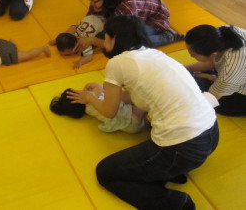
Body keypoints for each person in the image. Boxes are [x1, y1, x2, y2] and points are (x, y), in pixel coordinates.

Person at [67, 15, 218, 210]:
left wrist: (90, 99)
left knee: (105, 172)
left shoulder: (117, 63)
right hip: (211, 134)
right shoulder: (153, 54)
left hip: (184, 147)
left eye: (105, 38)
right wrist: (103, 92)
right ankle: (169, 173)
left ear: (114, 39)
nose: (103, 43)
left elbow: (109, 112)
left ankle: (176, 204)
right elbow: (136, 96)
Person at [75, 0, 185, 53]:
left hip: (155, 20)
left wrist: (92, 40)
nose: (91, 3)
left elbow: (119, 41)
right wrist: (78, 32)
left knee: (130, 45)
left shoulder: (126, 8)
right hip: (137, 13)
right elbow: (91, 18)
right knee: (103, 30)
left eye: (95, 1)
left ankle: (169, 36)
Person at [185, 24, 246, 116]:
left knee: (207, 100)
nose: (191, 56)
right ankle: (213, 78)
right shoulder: (221, 33)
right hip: (236, 74)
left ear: (213, 54)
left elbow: (211, 99)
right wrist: (183, 68)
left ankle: (212, 79)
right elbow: (212, 61)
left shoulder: (230, 70)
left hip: (241, 92)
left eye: (193, 54)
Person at [50, 83, 145, 133]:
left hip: (131, 126)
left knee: (121, 96)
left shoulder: (88, 110)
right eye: (78, 91)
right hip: (132, 118)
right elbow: (98, 86)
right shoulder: (90, 98)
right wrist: (87, 86)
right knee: (138, 96)